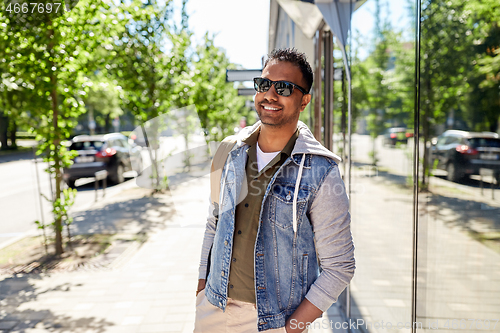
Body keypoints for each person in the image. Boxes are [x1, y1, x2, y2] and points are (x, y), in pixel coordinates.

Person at [194, 48, 355, 333]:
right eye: (264, 84)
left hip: (272, 322)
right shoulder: (227, 151)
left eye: (284, 88)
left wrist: (291, 328)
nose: (270, 94)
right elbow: (214, 223)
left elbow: (339, 266)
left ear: (304, 100)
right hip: (213, 311)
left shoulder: (322, 171)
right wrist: (201, 289)